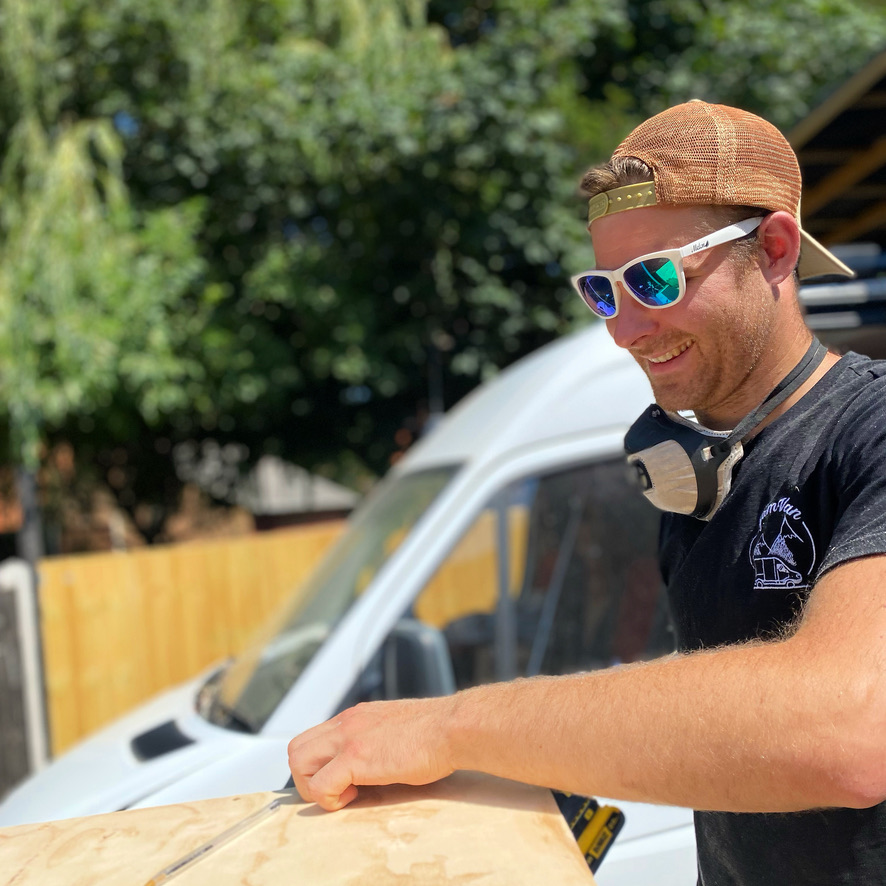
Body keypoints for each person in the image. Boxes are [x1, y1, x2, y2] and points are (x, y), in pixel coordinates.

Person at [288, 101, 886, 884]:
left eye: (655, 279)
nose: (625, 330)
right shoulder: (699, 483)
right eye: (604, 291)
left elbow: (851, 727)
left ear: (774, 249)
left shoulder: (870, 430)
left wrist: (452, 726)